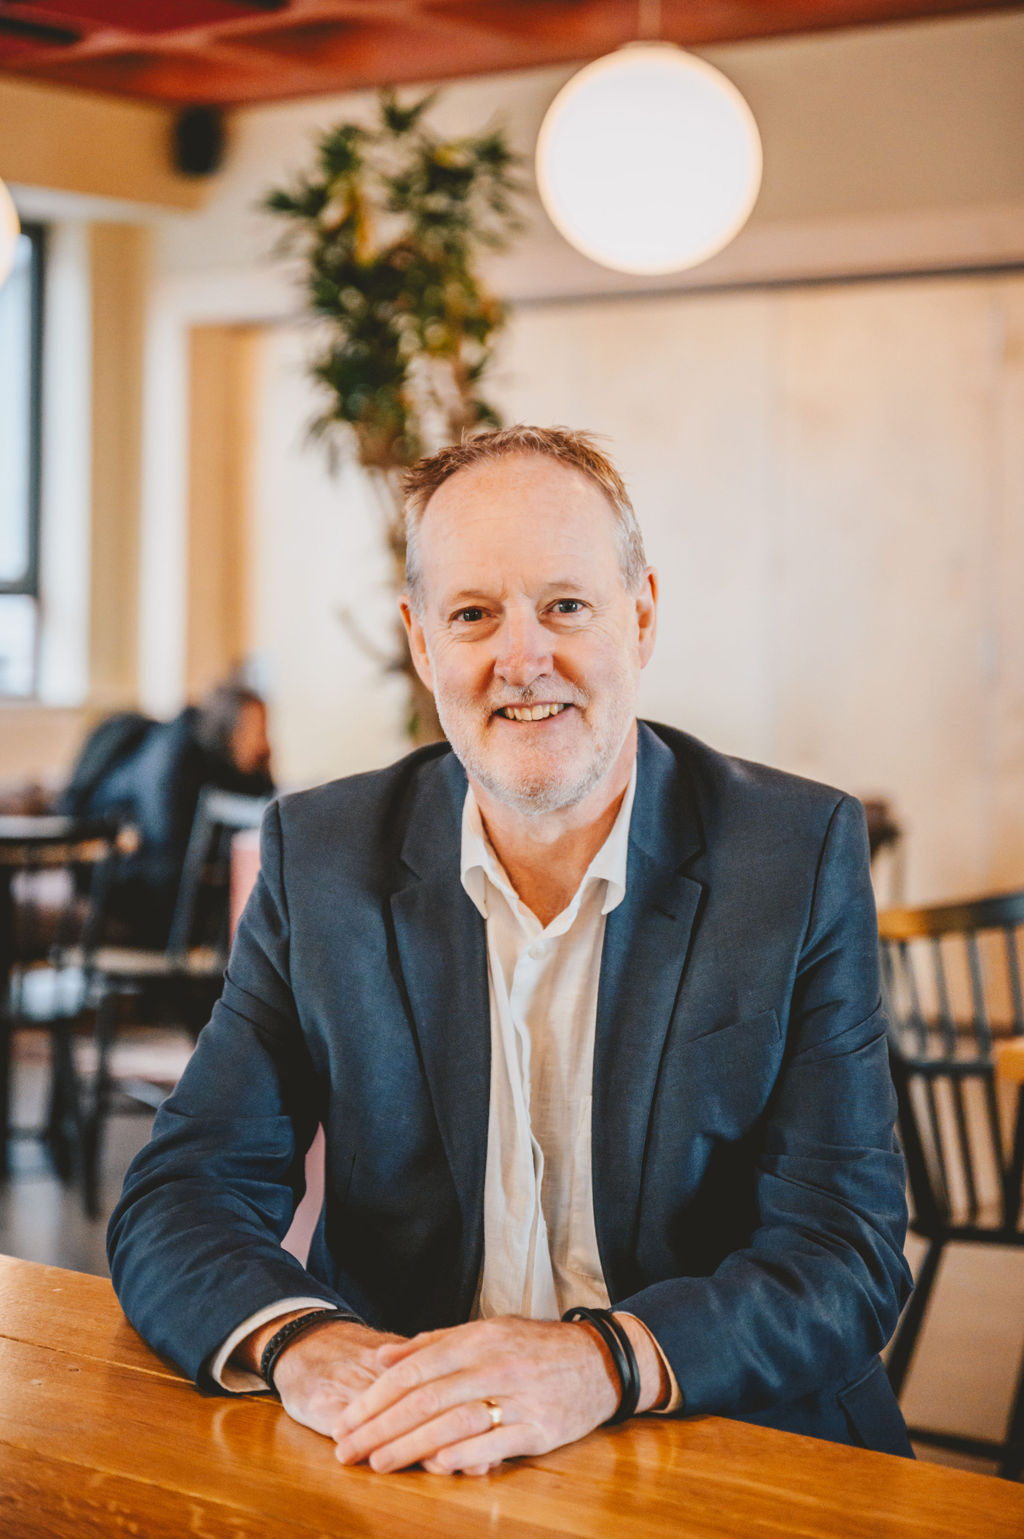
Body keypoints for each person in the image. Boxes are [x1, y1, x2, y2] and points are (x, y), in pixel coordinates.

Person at [108, 425, 913, 1476]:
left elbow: (844, 1254)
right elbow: (183, 1193)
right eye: (474, 614)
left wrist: (600, 1364)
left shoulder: (793, 855)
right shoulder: (322, 859)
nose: (521, 658)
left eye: (566, 605)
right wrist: (305, 1343)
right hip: (413, 1456)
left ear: (642, 616)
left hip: (719, 1443)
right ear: (421, 642)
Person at [59, 679, 274, 946]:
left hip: (170, 874)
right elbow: (167, 838)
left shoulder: (238, 767)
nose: (262, 741)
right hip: (122, 876)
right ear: (227, 728)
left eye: (264, 729)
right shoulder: (173, 755)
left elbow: (265, 817)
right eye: (252, 729)